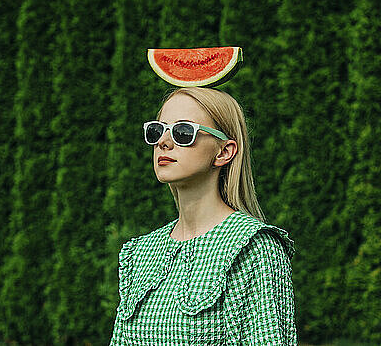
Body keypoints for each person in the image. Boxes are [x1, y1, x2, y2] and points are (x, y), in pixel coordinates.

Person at [109, 87, 297, 345]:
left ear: (224, 152)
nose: (163, 142)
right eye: (157, 130)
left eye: (183, 132)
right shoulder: (140, 253)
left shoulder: (254, 248)